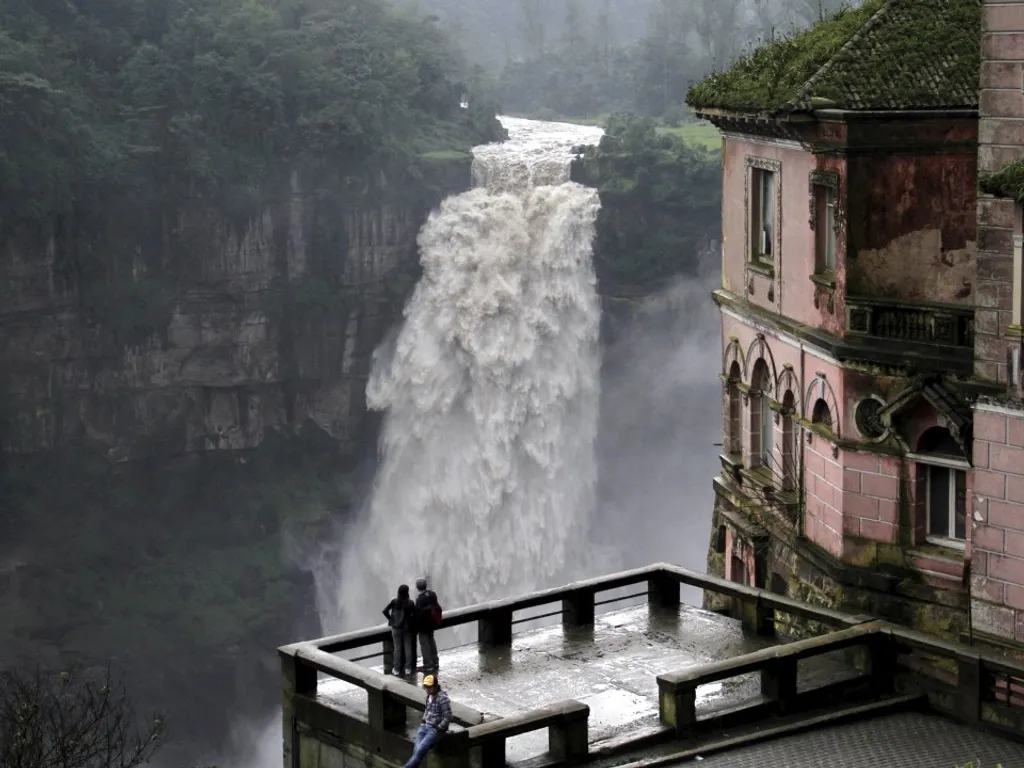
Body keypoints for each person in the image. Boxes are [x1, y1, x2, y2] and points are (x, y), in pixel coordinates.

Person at [401, 674, 450, 768]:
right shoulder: (429, 696)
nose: (427, 689)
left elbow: (448, 716)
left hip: (434, 730)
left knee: (420, 751)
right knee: (416, 751)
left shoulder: (443, 698)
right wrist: (424, 720)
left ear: (435, 686)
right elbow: (427, 709)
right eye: (426, 687)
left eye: (429, 687)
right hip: (425, 726)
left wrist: (438, 728)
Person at [383, 584, 416, 676]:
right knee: (408, 647)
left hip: (396, 628)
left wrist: (391, 619)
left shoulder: (394, 601)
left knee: (397, 648)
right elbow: (415, 613)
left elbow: (384, 611)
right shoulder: (410, 603)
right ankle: (408, 668)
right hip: (407, 628)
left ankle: (396, 669)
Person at [414, 577, 440, 674]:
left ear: (417, 587)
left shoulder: (420, 599)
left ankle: (428, 665)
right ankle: (435, 662)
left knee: (425, 645)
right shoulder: (432, 594)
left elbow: (419, 614)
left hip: (423, 626)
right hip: (432, 623)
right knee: (432, 642)